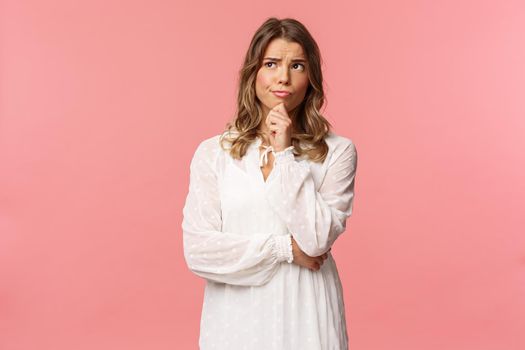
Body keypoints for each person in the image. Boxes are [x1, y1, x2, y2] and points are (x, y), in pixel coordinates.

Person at [182, 17, 358, 350]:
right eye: (271, 63)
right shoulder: (214, 154)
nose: (283, 77)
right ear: (254, 73)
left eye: (297, 65)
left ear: (311, 77)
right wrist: (284, 250)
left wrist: (285, 153)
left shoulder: (337, 152)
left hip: (307, 314)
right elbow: (199, 252)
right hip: (236, 320)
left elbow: (316, 240)